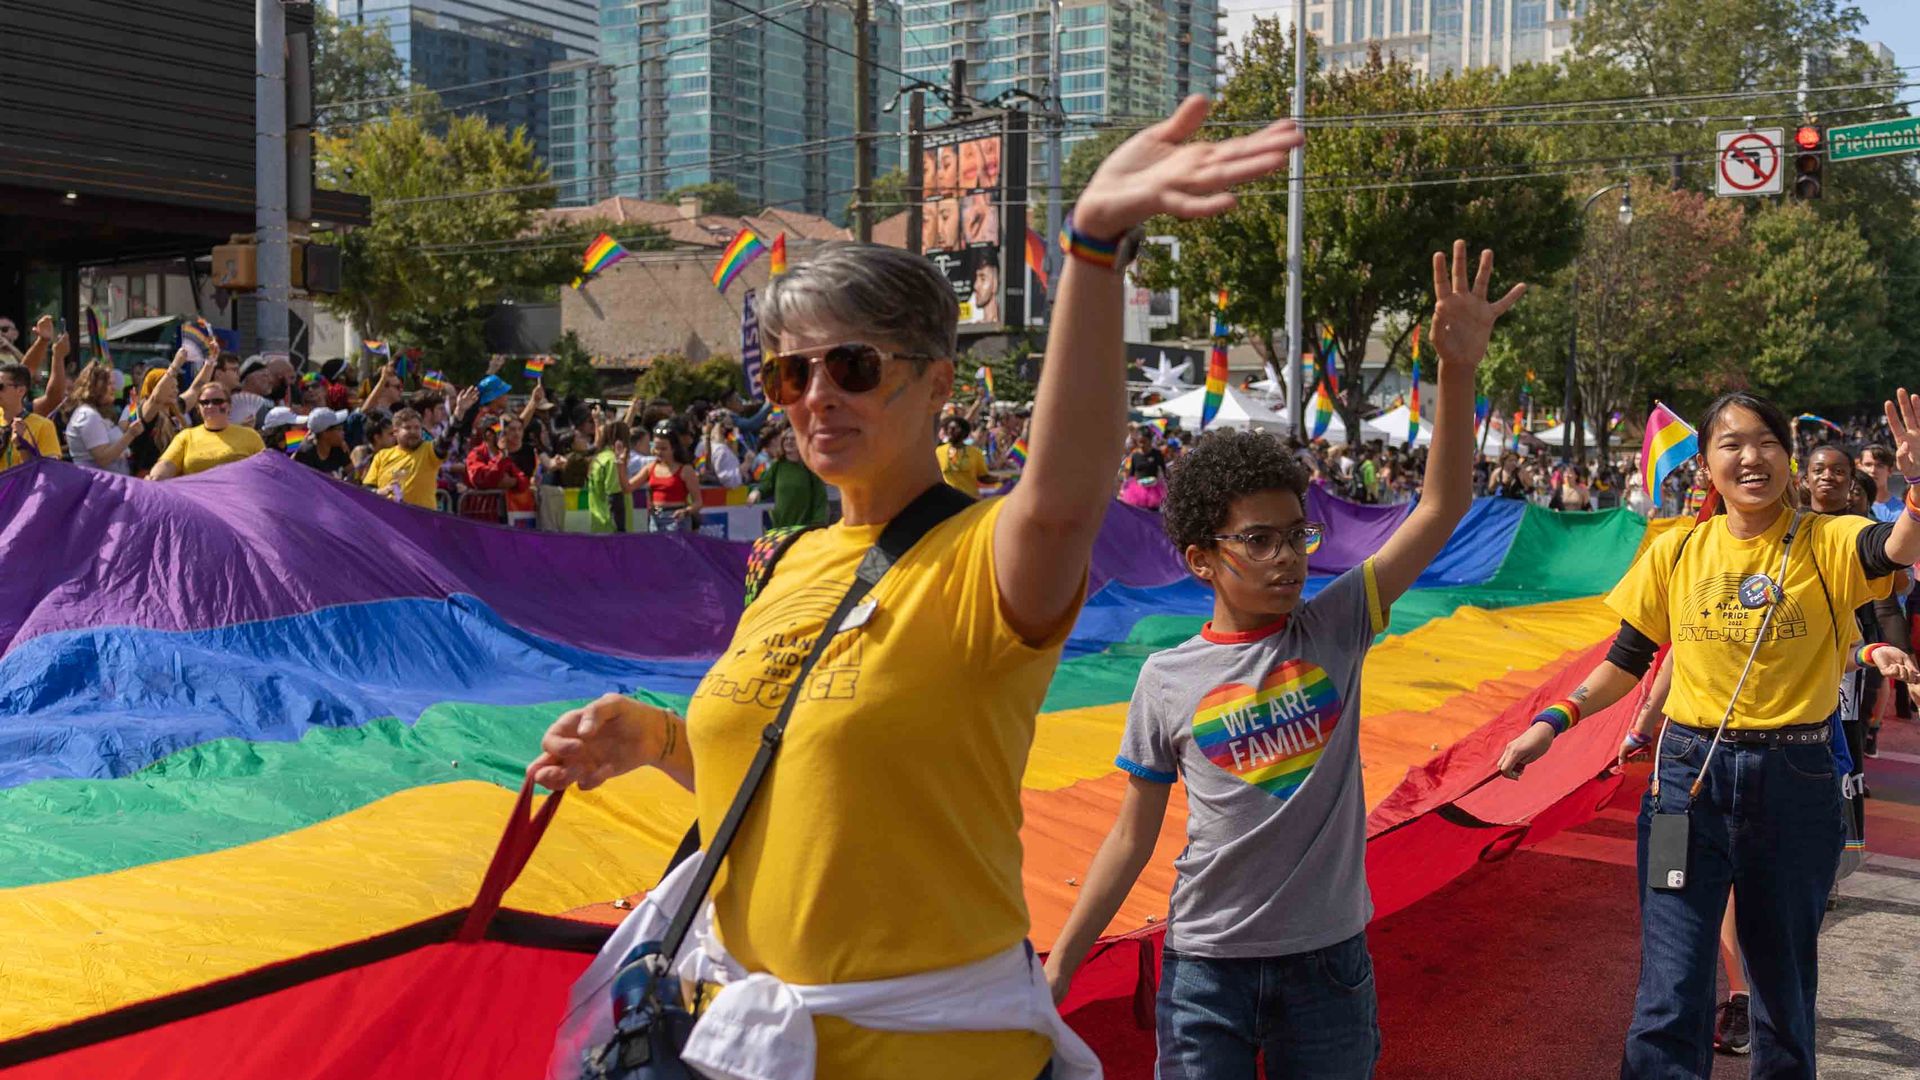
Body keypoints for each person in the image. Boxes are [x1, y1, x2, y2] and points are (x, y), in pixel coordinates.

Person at [527, 98, 1303, 1080]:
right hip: (742, 1050)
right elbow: (806, 776)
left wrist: (1093, 248)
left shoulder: (987, 557)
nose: (817, 395)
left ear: (938, 384)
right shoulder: (784, 561)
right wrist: (656, 740)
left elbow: (1066, 494)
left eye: (851, 365)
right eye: (789, 373)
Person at [1043, 241, 1524, 1079]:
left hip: (1328, 968)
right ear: (1200, 559)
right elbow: (1130, 836)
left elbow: (1442, 506)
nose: (1287, 558)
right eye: (1256, 541)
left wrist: (1457, 371)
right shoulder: (1166, 682)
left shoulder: (1336, 625)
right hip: (1203, 975)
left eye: (1294, 535)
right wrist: (1060, 966)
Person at [1497, 389, 1920, 1078]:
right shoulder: (1677, 550)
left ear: (1787, 456)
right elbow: (1625, 663)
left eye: (1765, 442)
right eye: (1731, 443)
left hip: (1796, 781)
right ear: (1708, 467)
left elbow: (1894, 545)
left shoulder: (1826, 541)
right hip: (1683, 789)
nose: (1750, 457)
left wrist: (1918, 487)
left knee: (1782, 990)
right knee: (1670, 987)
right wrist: (1554, 721)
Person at [149, 383, 266, 479]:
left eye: (217, 401)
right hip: (196, 503)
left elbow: (265, 471)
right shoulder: (186, 436)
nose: (210, 406)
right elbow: (166, 465)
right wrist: (154, 478)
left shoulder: (250, 436)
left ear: (229, 406)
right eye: (205, 402)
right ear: (198, 408)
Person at [62, 361, 144, 475]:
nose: (114, 388)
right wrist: (130, 434)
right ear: (96, 387)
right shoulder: (88, 416)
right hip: (98, 487)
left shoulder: (99, 414)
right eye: (109, 384)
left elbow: (121, 431)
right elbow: (103, 459)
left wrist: (133, 410)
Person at [749, 423, 830, 529]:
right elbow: (766, 484)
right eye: (786, 439)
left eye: (793, 439)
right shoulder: (777, 465)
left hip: (805, 529)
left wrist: (817, 525)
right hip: (781, 527)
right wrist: (757, 492)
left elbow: (820, 499)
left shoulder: (810, 467)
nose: (789, 442)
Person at [360, 407, 441, 508]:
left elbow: (444, 442)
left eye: (417, 428)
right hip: (389, 519)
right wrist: (380, 491)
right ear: (395, 432)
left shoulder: (429, 450)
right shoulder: (382, 456)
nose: (413, 431)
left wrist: (457, 417)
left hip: (422, 520)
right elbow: (366, 489)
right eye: (407, 428)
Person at [1, 361, 62, 474]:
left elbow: (49, 473)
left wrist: (22, 445)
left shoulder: (43, 426)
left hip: (22, 490)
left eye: (0, 387)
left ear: (21, 390)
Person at [641, 419, 700, 532]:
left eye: (663, 449)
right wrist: (620, 463)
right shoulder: (651, 467)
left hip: (676, 519)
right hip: (655, 519)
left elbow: (698, 502)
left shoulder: (686, 469)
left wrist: (685, 512)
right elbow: (627, 487)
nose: (659, 452)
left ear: (673, 448)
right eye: (656, 448)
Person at [585, 420, 639, 533]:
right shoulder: (612, 461)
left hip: (599, 524)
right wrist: (621, 529)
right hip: (613, 528)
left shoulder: (598, 458)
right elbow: (615, 496)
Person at [936, 415, 993, 497]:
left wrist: (1000, 479)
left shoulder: (975, 453)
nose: (951, 431)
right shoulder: (939, 451)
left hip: (969, 499)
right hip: (946, 500)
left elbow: (983, 477)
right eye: (948, 428)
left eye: (954, 428)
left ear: (964, 431)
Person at [294, 407, 355, 481]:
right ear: (324, 433)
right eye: (339, 429)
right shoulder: (305, 454)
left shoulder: (339, 448)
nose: (343, 432)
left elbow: (352, 475)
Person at [1119, 424, 1168, 510]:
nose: (1141, 445)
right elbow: (1131, 474)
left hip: (1154, 492)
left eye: (1144, 442)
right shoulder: (1135, 455)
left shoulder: (1157, 454)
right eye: (1139, 442)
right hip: (1137, 491)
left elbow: (1164, 471)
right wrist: (1124, 486)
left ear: (1150, 440)